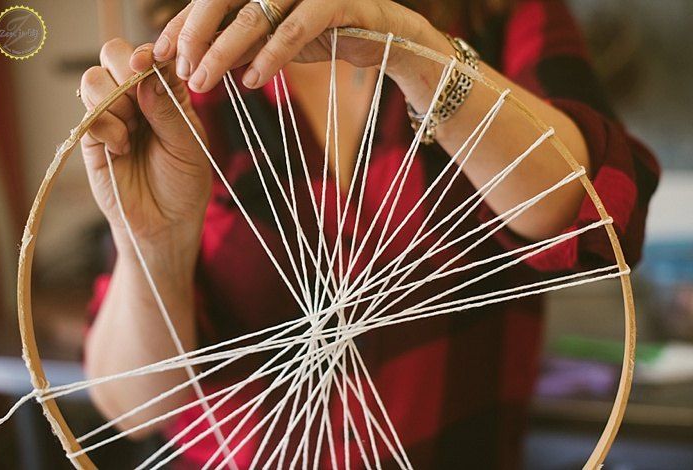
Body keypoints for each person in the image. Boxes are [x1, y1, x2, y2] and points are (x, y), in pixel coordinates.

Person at [80, 0, 659, 467]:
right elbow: (130, 404)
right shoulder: (190, 69)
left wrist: (418, 55)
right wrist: (152, 242)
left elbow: (605, 214)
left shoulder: (498, 16)